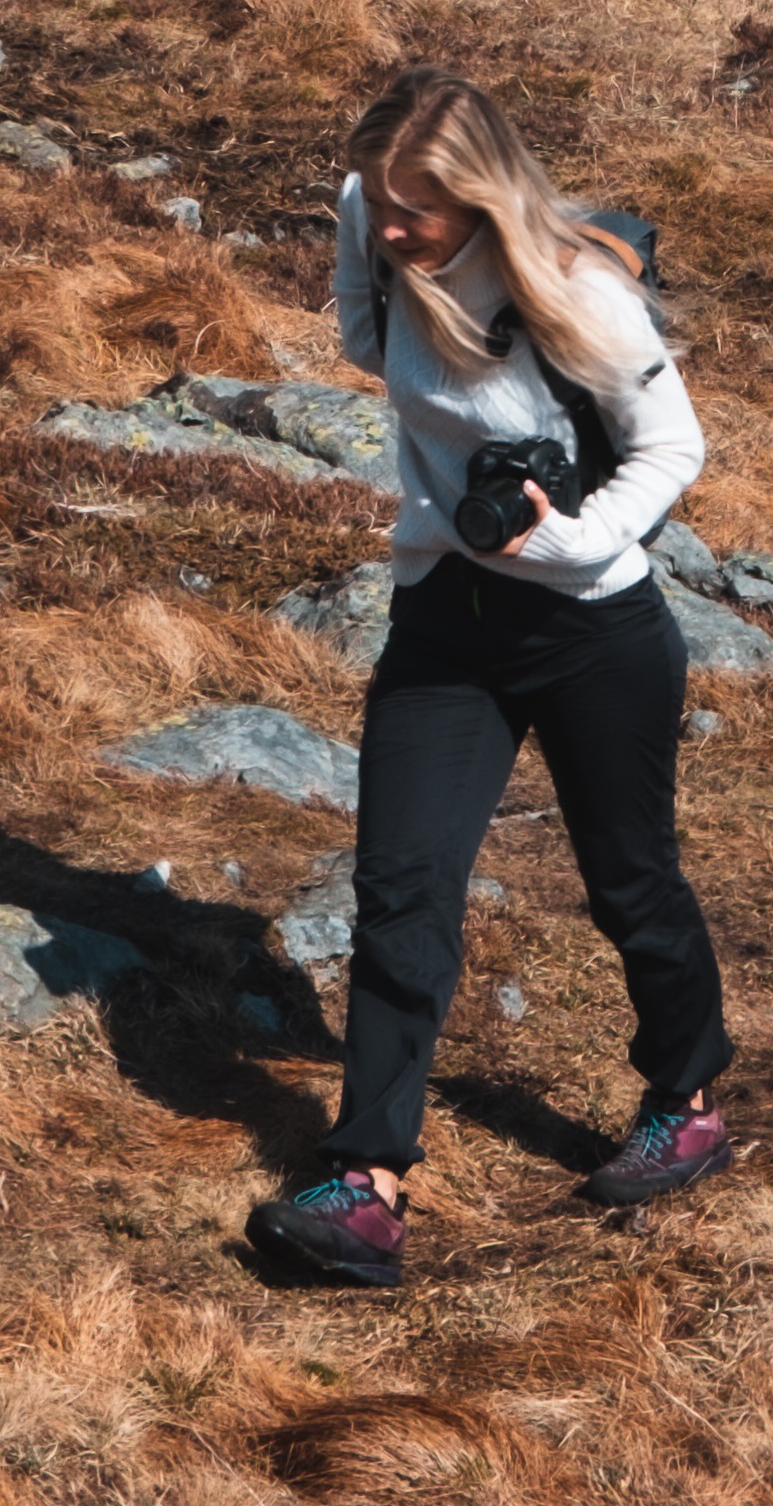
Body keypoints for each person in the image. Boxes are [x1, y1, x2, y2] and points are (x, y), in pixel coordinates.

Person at [247, 66, 736, 1292]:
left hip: (593, 631)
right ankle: (365, 1183)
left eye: (415, 206)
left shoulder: (579, 292)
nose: (396, 226)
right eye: (379, 201)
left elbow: (677, 443)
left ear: (482, 196)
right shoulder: (394, 264)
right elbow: (365, 340)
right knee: (402, 888)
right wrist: (362, 218)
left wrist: (570, 540)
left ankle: (685, 1096)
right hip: (444, 625)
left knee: (630, 882)